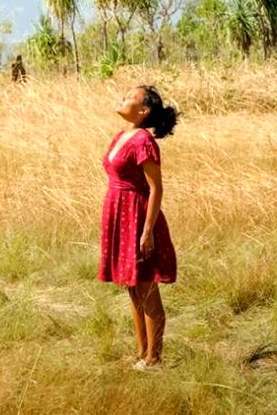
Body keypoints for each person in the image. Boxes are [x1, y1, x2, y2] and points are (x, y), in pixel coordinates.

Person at [98, 85, 178, 370]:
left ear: (143, 111)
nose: (123, 97)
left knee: (146, 289)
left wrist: (147, 231)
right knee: (133, 289)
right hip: (119, 214)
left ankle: (154, 360)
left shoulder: (143, 140)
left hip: (137, 216)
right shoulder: (123, 135)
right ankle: (142, 353)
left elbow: (156, 188)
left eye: (131, 97)